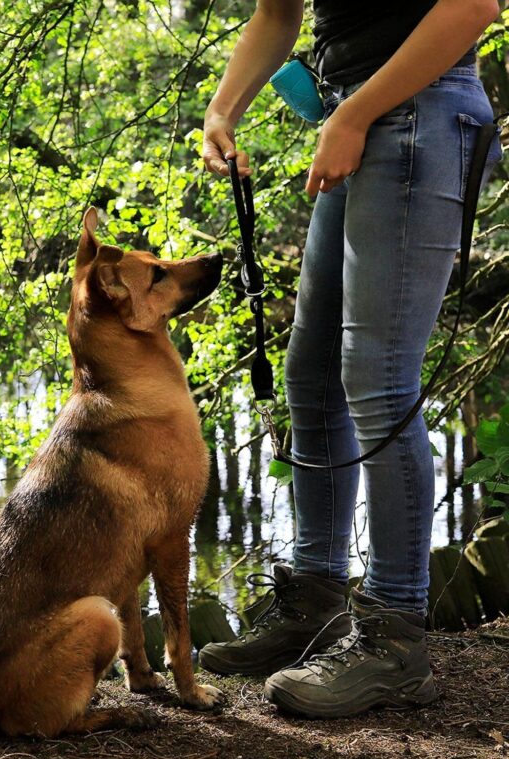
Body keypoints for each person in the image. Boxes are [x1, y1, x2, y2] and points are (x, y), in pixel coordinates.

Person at [198, 0, 501, 718]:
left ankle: (395, 645)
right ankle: (316, 604)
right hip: (360, 111)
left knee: (378, 378)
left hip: (422, 110)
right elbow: (278, 13)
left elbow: (473, 6)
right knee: (310, 371)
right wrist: (221, 110)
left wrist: (355, 115)